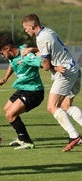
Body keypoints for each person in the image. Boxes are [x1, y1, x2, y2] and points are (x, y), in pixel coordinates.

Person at [22, 13, 82, 152]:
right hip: (74, 68)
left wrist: (31, 56)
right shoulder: (48, 31)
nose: (26, 31)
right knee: (66, 105)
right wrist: (33, 49)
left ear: (32, 26)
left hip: (64, 72)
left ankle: (74, 136)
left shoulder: (42, 38)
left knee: (52, 106)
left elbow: (46, 65)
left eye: (26, 28)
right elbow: (48, 52)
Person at [0, 34, 44, 150]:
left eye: (2, 53)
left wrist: (34, 49)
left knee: (11, 114)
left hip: (34, 91)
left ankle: (27, 141)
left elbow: (42, 63)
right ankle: (20, 138)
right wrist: (5, 78)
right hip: (23, 89)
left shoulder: (25, 55)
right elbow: (12, 65)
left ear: (7, 48)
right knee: (7, 109)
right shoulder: (12, 56)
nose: (2, 56)